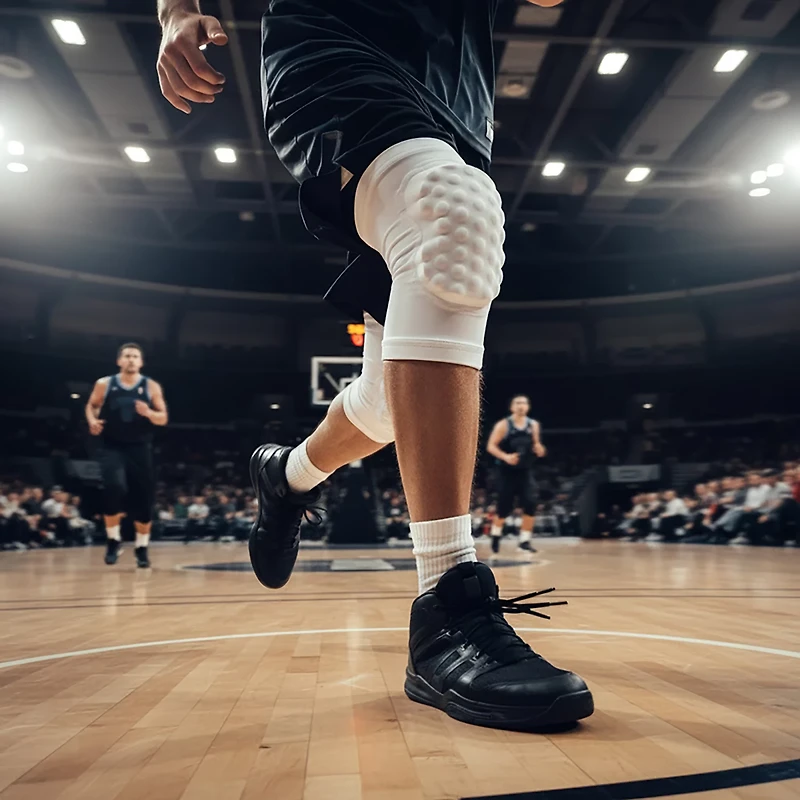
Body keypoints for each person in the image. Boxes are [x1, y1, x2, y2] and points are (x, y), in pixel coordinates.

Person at [156, 0, 592, 732]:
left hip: (456, 95)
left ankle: (288, 474)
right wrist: (176, 10)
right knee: (451, 214)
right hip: (335, 39)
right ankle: (447, 602)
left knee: (392, 402)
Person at [85, 343, 168, 568]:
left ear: (141, 362)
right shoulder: (104, 384)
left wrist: (148, 412)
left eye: (135, 356)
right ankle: (113, 540)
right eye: (127, 355)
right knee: (114, 487)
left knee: (143, 499)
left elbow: (163, 418)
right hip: (111, 446)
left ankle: (141, 547)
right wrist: (92, 420)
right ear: (119, 361)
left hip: (139, 447)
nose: (131, 359)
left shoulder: (150, 386)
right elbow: (92, 405)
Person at [486, 395, 546, 553]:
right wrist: (506, 457)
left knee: (531, 502)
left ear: (528, 407)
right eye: (518, 403)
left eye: (524, 403)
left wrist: (539, 449)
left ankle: (524, 541)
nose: (521, 406)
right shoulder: (504, 425)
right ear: (512, 407)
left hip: (525, 470)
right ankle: (496, 534)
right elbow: (491, 446)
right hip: (506, 471)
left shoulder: (533, 425)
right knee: (504, 506)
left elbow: (537, 445)